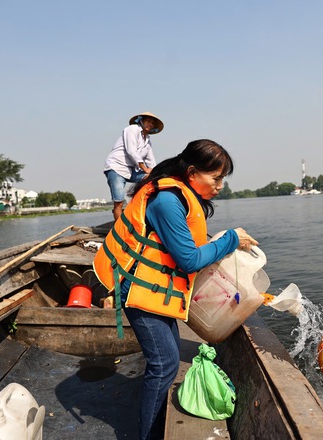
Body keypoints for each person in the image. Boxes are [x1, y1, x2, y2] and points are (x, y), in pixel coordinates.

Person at [93, 139, 258, 440]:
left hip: (157, 291)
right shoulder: (167, 201)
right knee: (165, 364)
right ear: (193, 173)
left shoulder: (179, 196)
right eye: (216, 177)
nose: (220, 185)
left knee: (166, 361)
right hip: (139, 289)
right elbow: (189, 259)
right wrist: (231, 239)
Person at [104, 111, 164, 221]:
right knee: (119, 201)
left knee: (151, 179)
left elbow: (151, 161)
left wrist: (157, 173)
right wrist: (145, 168)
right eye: (148, 121)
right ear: (141, 120)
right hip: (116, 167)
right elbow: (131, 151)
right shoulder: (132, 129)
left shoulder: (147, 141)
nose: (150, 125)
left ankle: (139, 210)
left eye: (152, 124)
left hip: (131, 171)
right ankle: (119, 230)